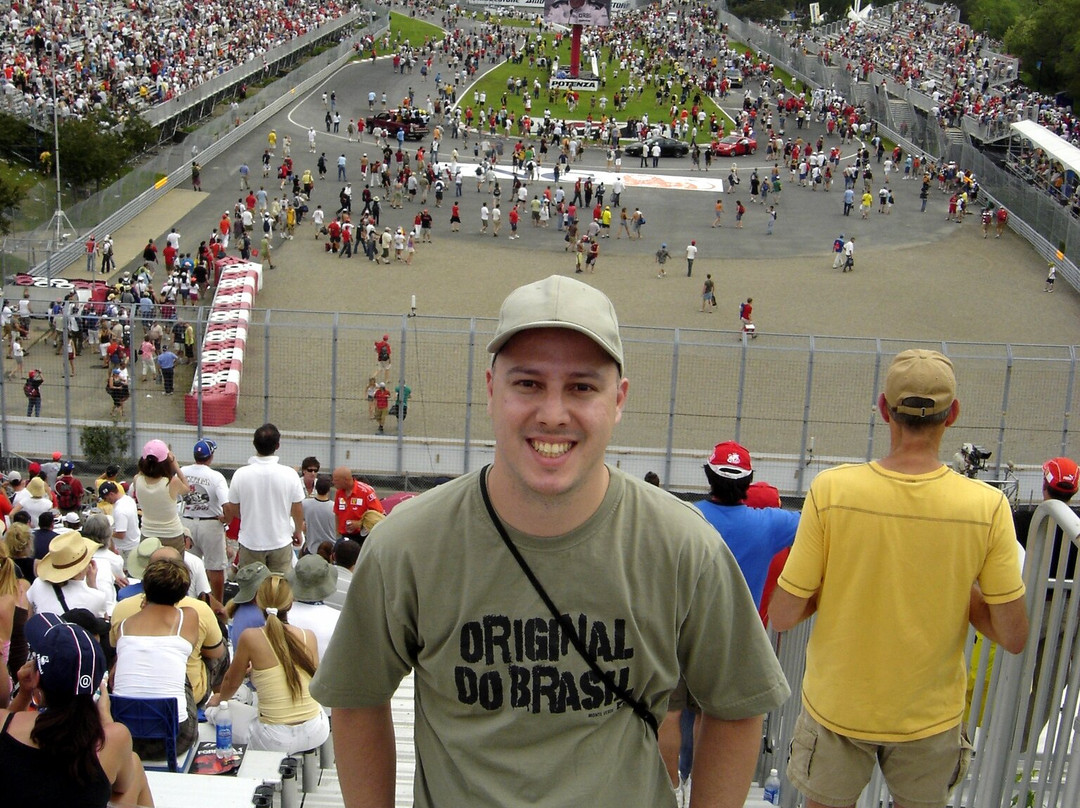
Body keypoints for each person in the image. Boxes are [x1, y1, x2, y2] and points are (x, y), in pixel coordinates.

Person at [311, 274, 789, 807]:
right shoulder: (407, 546)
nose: (554, 413)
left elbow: (739, 706)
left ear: (619, 399)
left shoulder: (684, 548)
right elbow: (355, 700)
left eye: (582, 386)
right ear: (492, 390)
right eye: (528, 383)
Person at [769, 349, 1029, 808]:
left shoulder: (833, 491)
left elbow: (784, 613)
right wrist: (955, 589)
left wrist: (841, 584)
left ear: (884, 408)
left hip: (838, 707)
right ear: (954, 416)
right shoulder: (986, 507)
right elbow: (1012, 634)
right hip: (930, 717)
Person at [1, 613, 154, 808]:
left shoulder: (4, 722)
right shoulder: (115, 738)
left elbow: (8, 725)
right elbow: (122, 786)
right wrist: (105, 715)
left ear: (36, 679)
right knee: (133, 764)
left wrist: (24, 693)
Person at [206, 576, 329, 754]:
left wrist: (220, 699)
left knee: (218, 710)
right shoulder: (307, 635)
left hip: (274, 738)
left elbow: (230, 682)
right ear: (291, 603)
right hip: (316, 730)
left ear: (258, 602)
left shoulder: (250, 637)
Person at [111, 558, 200, 758]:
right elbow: (189, 648)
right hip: (176, 736)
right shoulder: (188, 617)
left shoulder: (125, 626)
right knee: (180, 673)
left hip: (126, 736)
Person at [224, 424, 305, 574]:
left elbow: (234, 509)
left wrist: (250, 516)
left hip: (250, 542)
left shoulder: (241, 474)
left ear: (254, 444)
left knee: (251, 589)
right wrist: (298, 531)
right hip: (280, 541)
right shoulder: (289, 474)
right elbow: (297, 508)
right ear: (277, 445)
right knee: (280, 590)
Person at [180, 440, 230, 603]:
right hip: (210, 523)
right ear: (211, 456)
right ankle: (218, 603)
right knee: (215, 567)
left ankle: (189, 599)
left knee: (188, 565)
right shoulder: (216, 477)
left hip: (186, 521)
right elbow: (226, 504)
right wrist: (226, 519)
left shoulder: (182, 471)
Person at [27, 532, 108, 619]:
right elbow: (105, 626)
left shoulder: (37, 584)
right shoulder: (96, 597)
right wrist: (92, 584)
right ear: (84, 566)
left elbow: (29, 621)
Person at [132, 440, 190, 553]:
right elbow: (186, 489)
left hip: (147, 534)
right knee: (174, 568)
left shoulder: (137, 480)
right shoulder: (172, 482)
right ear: (167, 462)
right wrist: (176, 466)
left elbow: (142, 473)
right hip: (172, 535)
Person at [332, 467, 385, 542]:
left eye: (336, 480)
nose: (333, 482)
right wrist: (338, 533)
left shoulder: (366, 492)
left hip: (362, 537)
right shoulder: (339, 493)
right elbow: (337, 513)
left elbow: (378, 515)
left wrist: (359, 524)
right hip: (344, 537)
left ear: (346, 480)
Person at [99, 482, 140, 558]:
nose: (106, 501)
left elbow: (121, 534)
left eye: (105, 498)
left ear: (111, 494)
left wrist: (105, 533)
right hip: (134, 541)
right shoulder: (128, 499)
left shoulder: (120, 510)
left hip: (126, 548)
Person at [302, 476, 338, 554]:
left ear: (316, 488)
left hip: (311, 548)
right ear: (329, 490)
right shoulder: (335, 507)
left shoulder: (305, 504)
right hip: (330, 549)